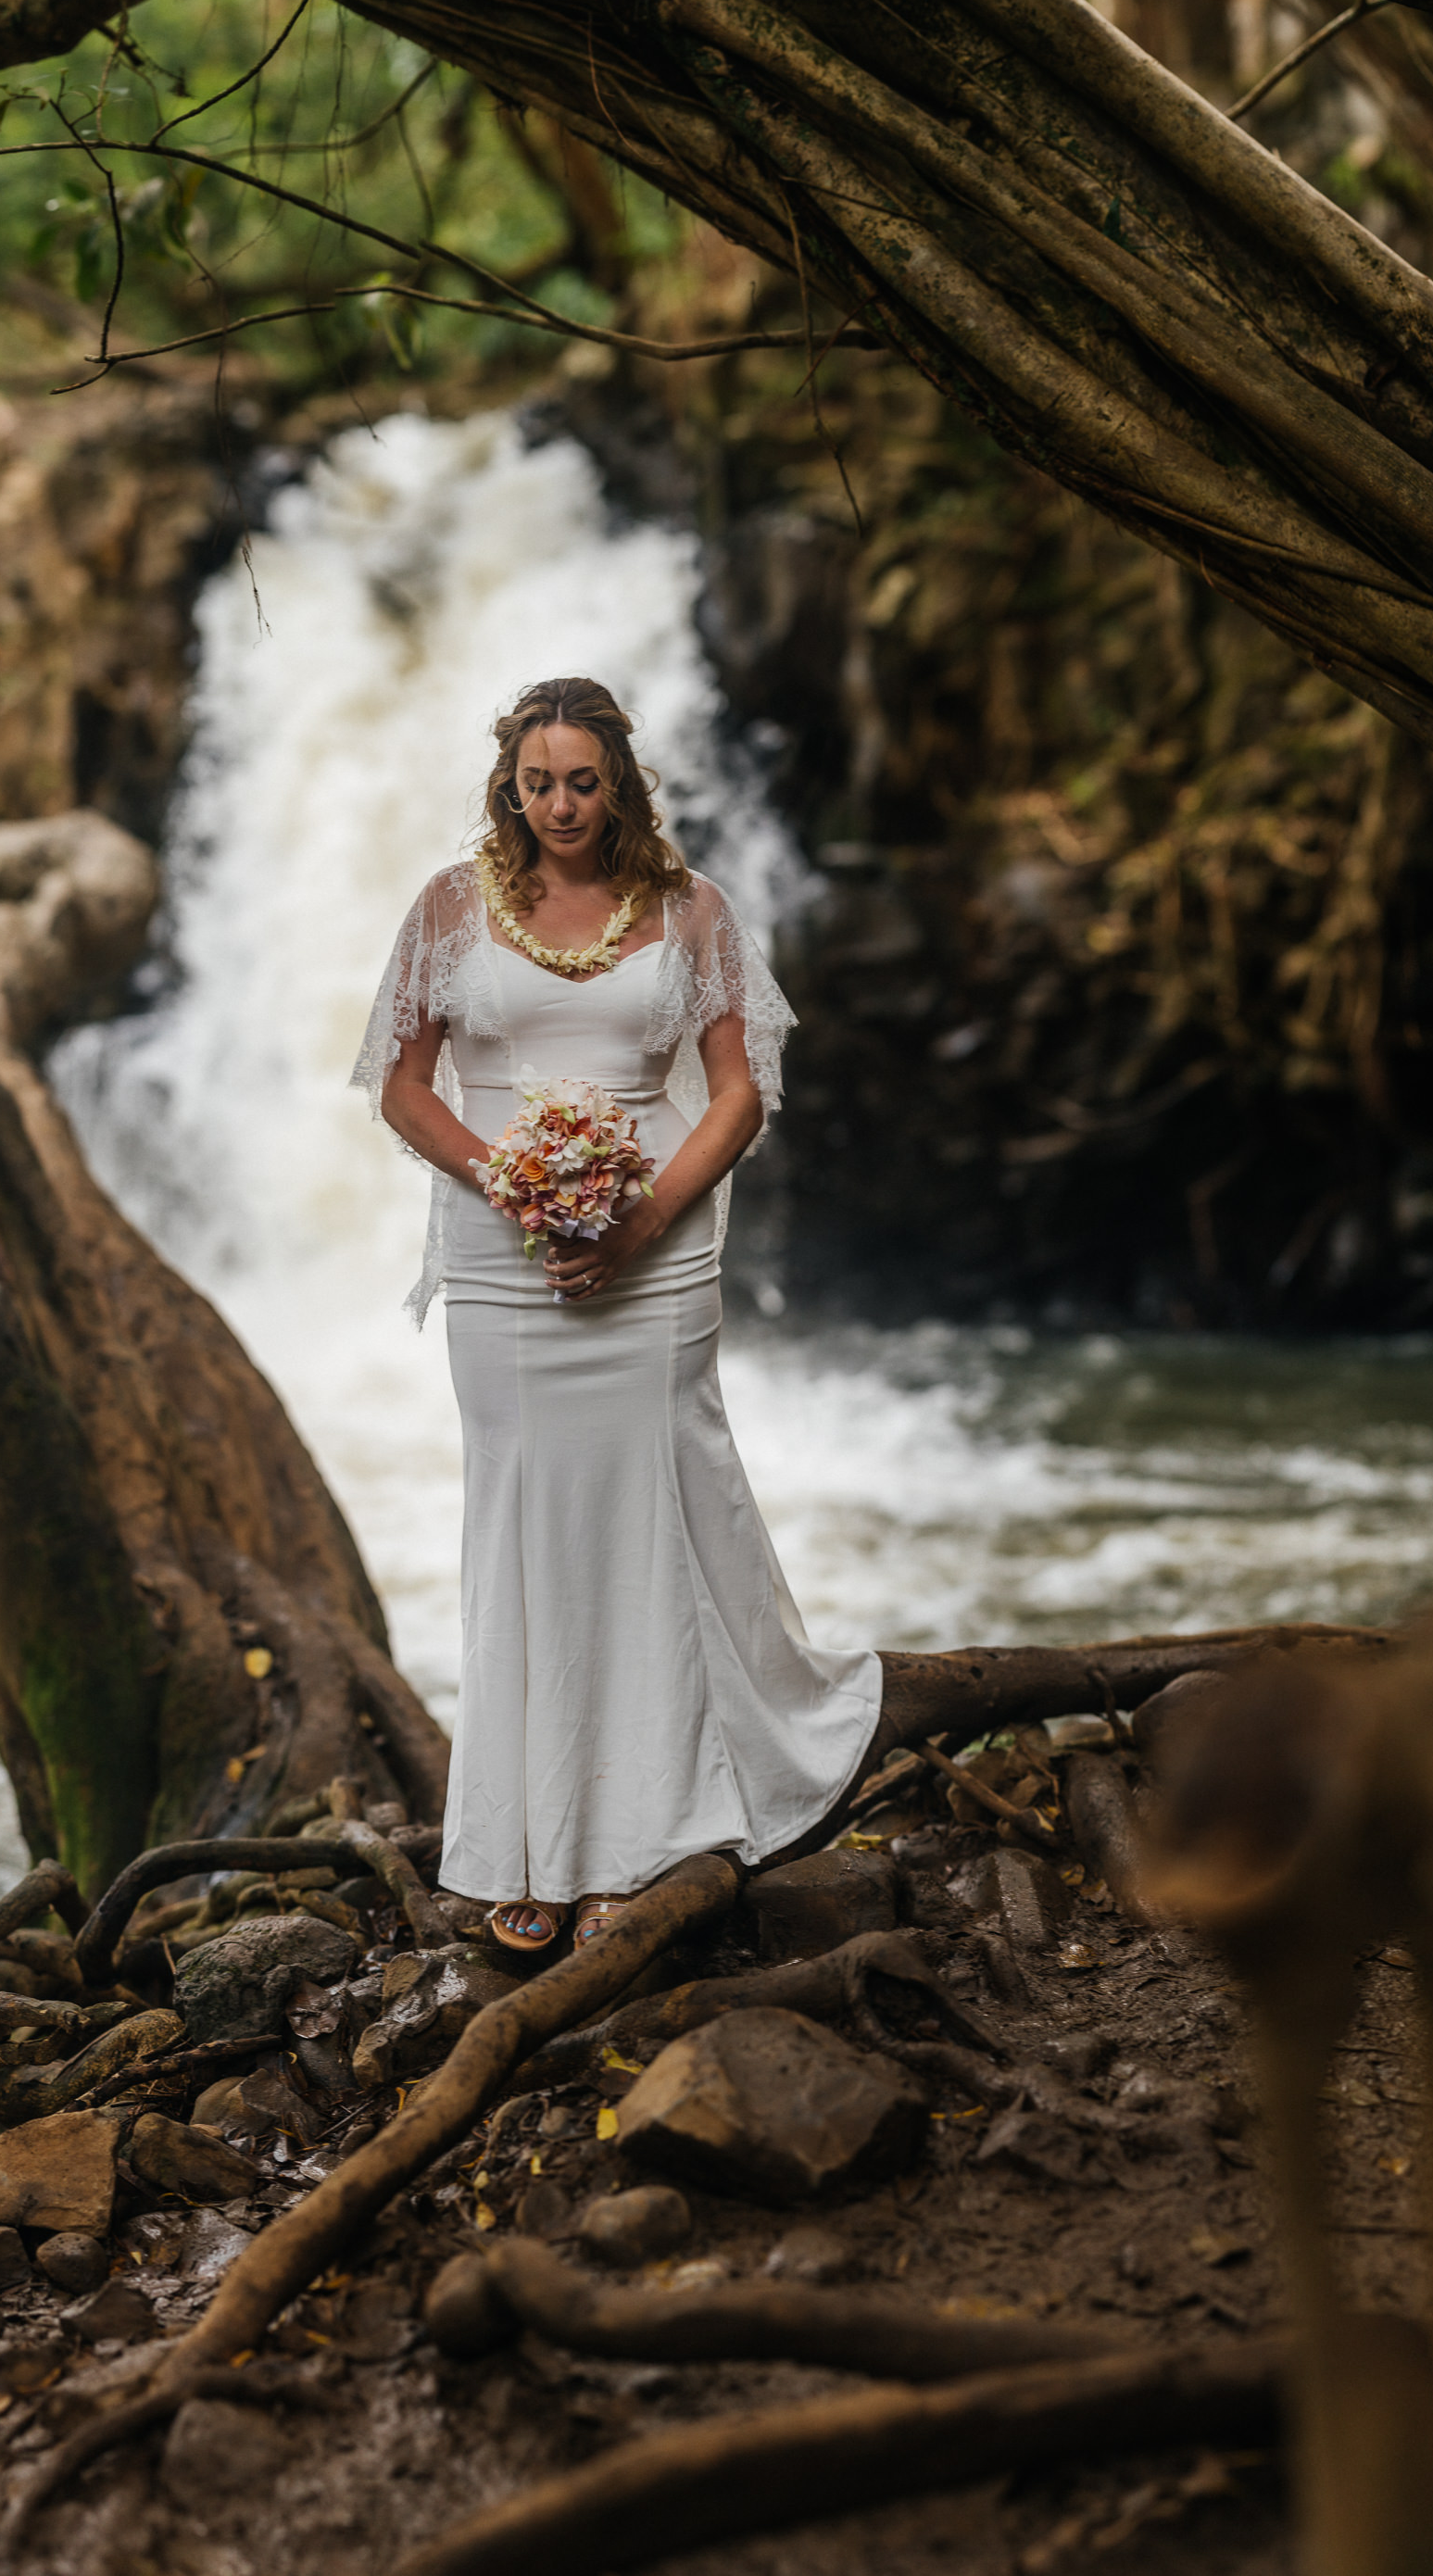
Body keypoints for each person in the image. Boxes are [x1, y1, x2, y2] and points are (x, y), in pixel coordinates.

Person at [353, 676, 881, 1956]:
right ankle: (521, 1842)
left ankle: (639, 1838)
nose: (562, 804)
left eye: (584, 781)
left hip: (655, 1249)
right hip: (502, 1262)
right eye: (539, 782)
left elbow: (737, 1095)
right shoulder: (449, 907)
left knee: (648, 1523)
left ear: (622, 783)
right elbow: (406, 1090)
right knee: (522, 1524)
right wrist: (515, 1190)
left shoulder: (691, 911)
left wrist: (637, 1217)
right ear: (509, 785)